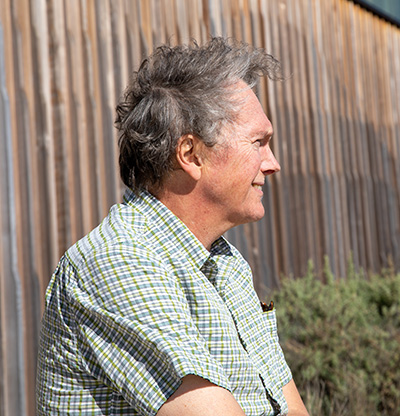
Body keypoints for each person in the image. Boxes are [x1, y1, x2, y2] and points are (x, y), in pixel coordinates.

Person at [36, 37, 309, 416]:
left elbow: (291, 409)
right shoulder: (119, 262)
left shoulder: (226, 263)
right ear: (191, 154)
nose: (273, 163)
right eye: (258, 143)